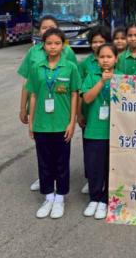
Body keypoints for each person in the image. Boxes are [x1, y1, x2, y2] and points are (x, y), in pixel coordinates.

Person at [17, 15, 78, 192]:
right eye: (44, 28)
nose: (53, 46)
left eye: (51, 27)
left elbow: (74, 88)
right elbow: (28, 84)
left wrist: (73, 119)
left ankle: (59, 189)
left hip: (61, 112)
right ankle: (46, 183)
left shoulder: (68, 55)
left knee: (60, 155)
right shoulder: (33, 54)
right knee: (44, 154)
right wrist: (23, 109)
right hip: (41, 112)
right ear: (40, 35)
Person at [27, 28, 81, 219]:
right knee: (44, 162)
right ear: (43, 45)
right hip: (41, 124)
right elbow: (33, 95)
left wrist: (72, 122)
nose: (53, 47)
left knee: (61, 163)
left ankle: (60, 199)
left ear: (63, 46)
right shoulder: (37, 67)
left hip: (62, 124)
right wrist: (31, 121)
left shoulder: (70, 67)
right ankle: (48, 197)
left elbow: (74, 94)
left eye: (57, 43)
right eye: (49, 43)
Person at [80, 43, 119, 220]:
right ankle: (94, 198)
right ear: (97, 59)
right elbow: (87, 99)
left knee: (111, 167)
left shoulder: (121, 77)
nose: (105, 60)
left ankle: (105, 199)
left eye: (109, 57)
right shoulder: (91, 76)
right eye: (102, 57)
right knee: (94, 167)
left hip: (115, 131)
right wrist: (102, 81)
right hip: (94, 130)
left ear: (116, 59)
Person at [77, 25, 111, 195]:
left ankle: (105, 183)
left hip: (110, 116)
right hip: (90, 112)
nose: (97, 45)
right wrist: (79, 113)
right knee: (90, 149)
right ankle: (91, 179)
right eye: (94, 42)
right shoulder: (85, 64)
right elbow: (79, 90)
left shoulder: (113, 63)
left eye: (101, 41)